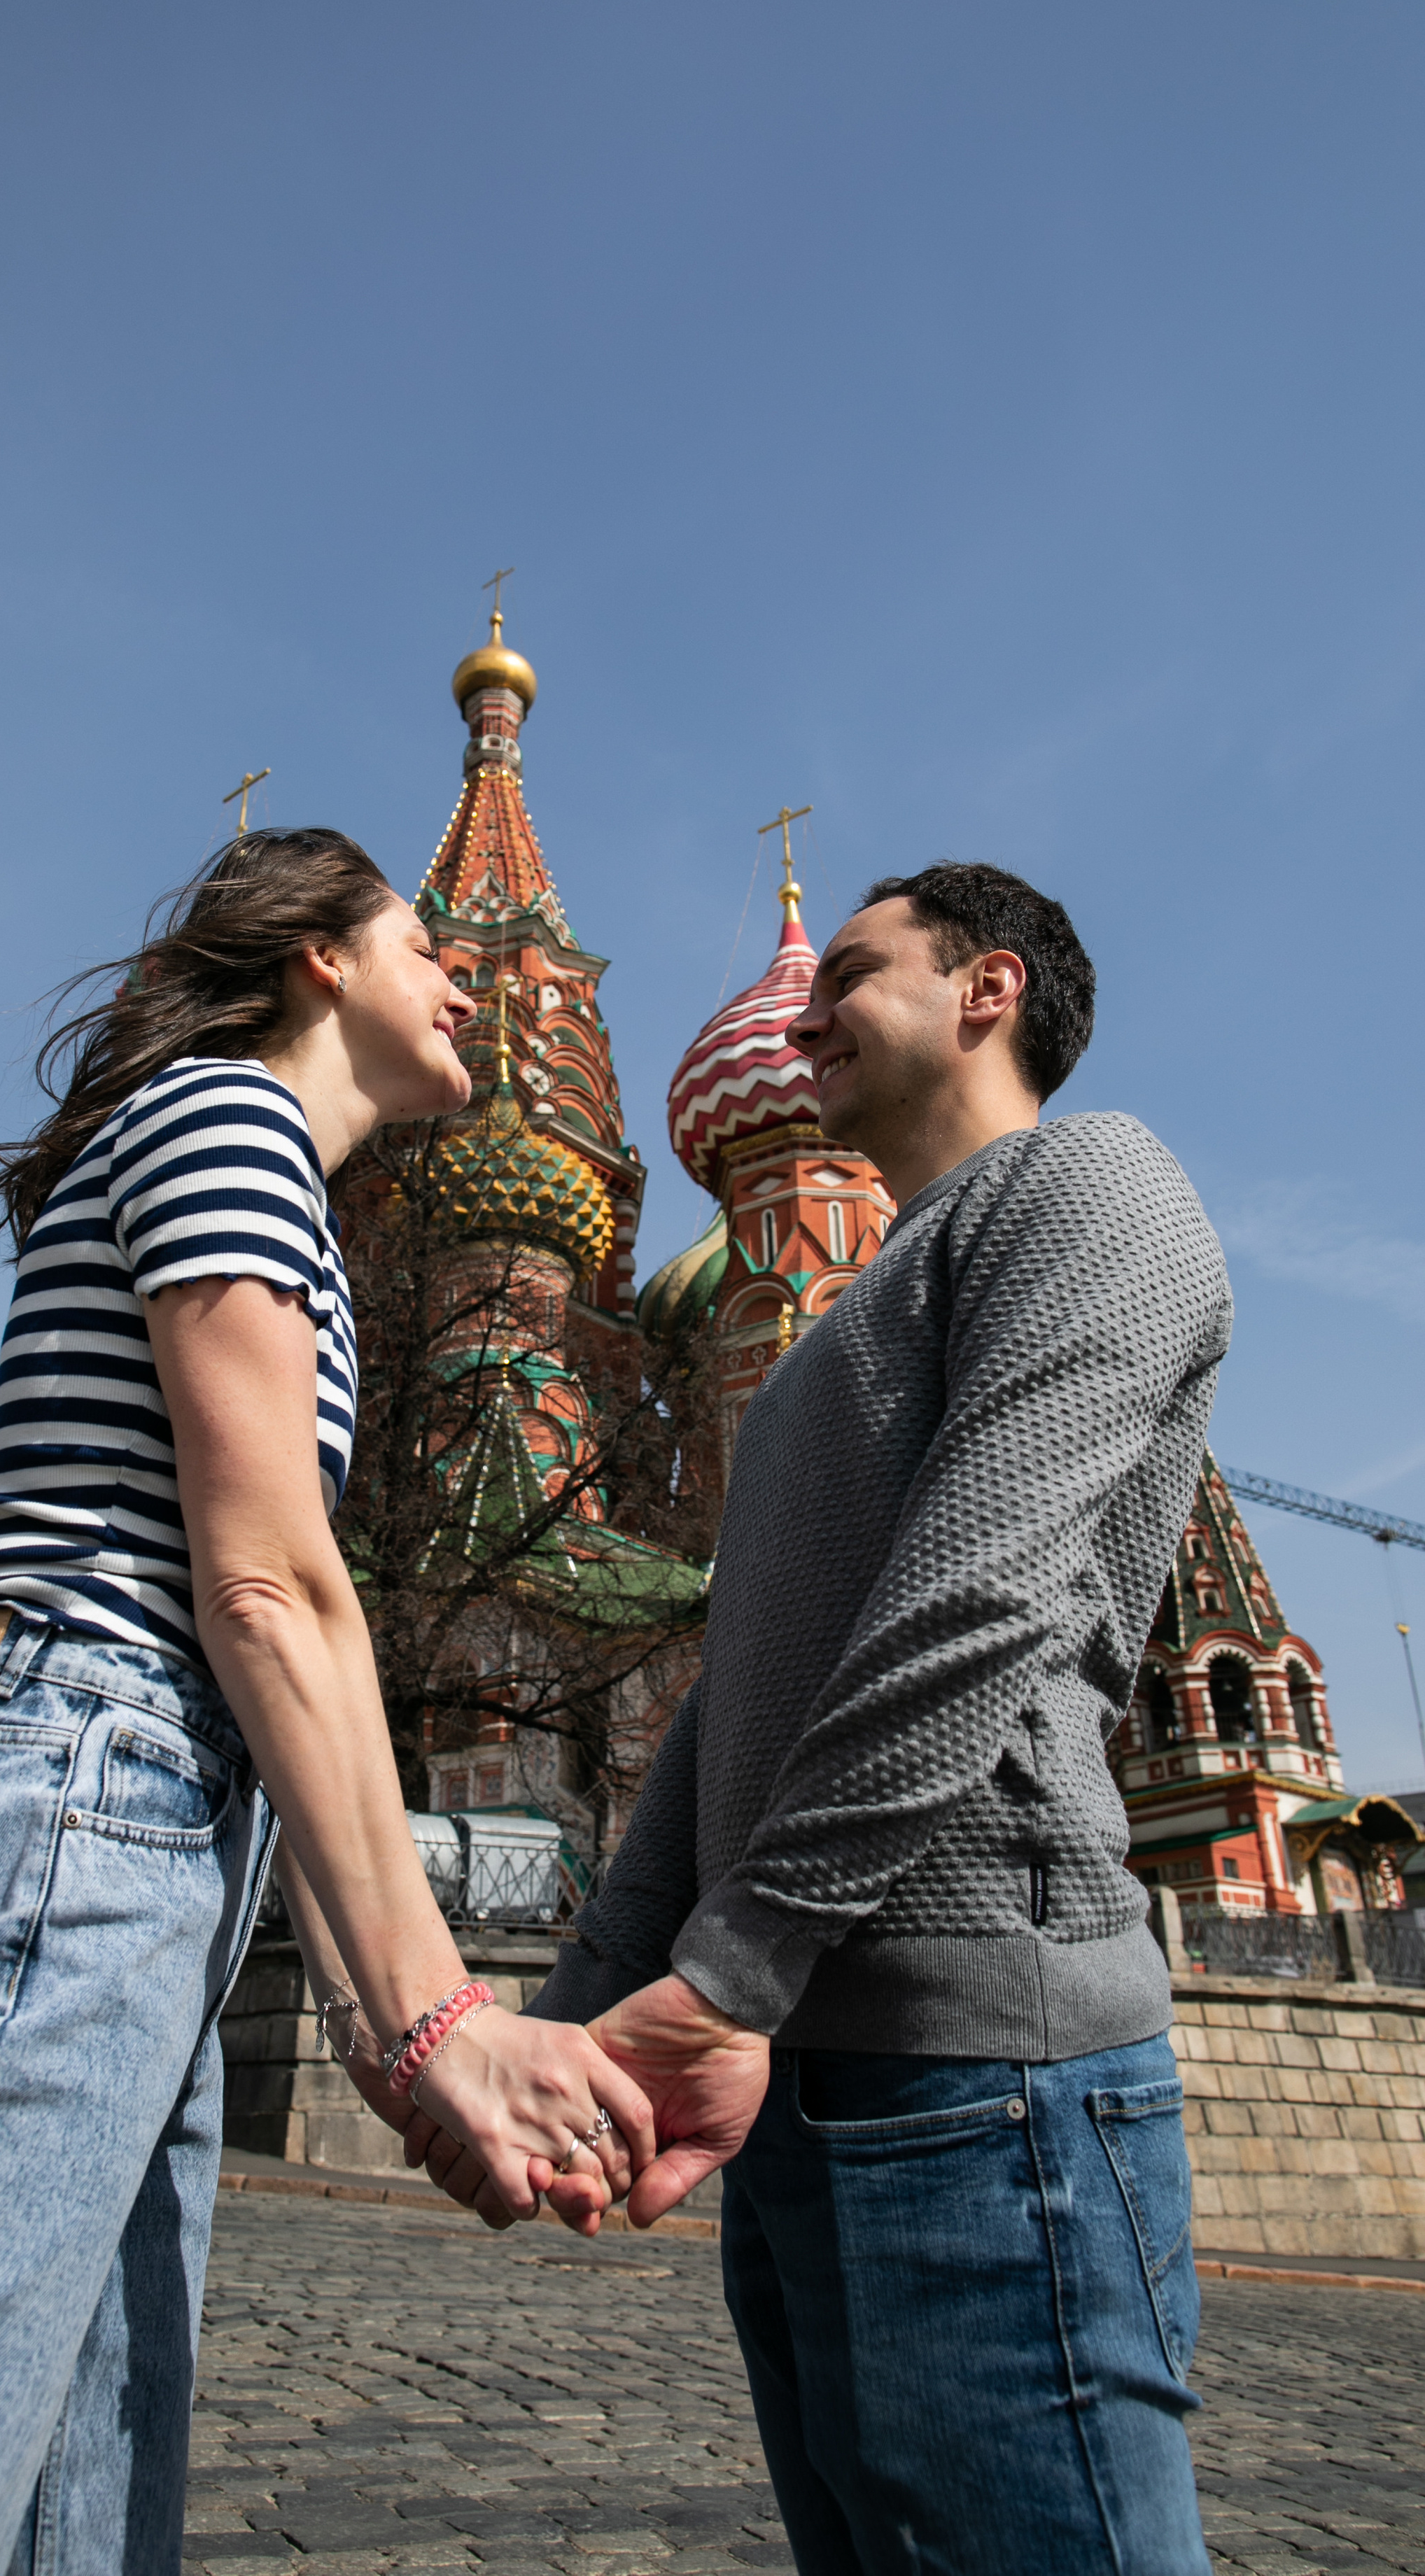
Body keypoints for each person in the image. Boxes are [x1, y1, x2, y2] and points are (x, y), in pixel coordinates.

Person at [0, 828, 656, 2576]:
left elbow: (260, 1668)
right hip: (71, 1788)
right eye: (426, 944)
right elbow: (268, 1588)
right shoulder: (228, 1119)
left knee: (81, 2465)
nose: (465, 984)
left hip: (140, 1812)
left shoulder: (265, 1181)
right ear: (320, 961)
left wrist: (380, 2035)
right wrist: (441, 2019)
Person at [413, 861, 1230, 2576]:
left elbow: (982, 1605)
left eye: (849, 972)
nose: (804, 1010)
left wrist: (725, 1975)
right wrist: (574, 2021)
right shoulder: (808, 1351)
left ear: (984, 988)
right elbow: (729, 1713)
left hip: (989, 2070)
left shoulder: (1093, 1183)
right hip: (794, 2086)